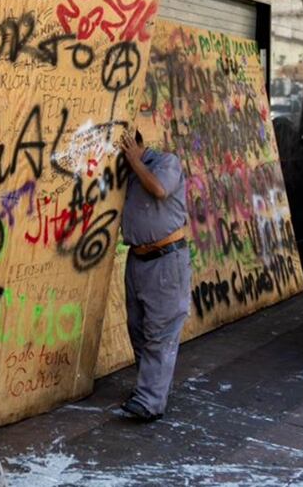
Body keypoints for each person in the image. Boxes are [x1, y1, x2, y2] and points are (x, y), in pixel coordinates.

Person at [117, 128, 189, 423]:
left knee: (160, 331)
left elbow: (158, 189)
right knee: (137, 328)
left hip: (166, 260)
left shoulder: (165, 163)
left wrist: (135, 161)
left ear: (135, 143)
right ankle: (150, 389)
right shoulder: (127, 172)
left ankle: (150, 401)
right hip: (138, 259)